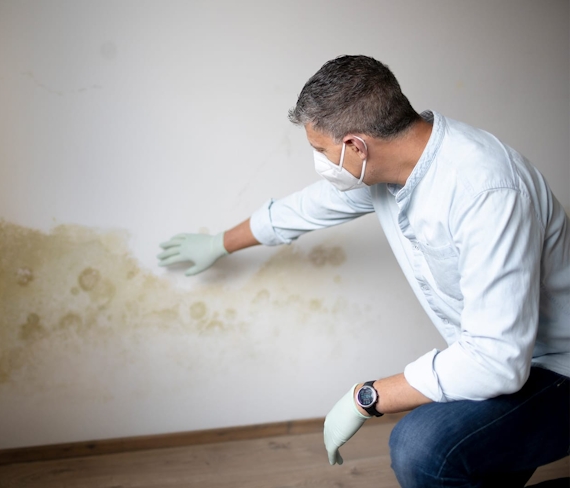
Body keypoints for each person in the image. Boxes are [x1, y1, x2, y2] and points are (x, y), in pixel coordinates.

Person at [157, 55, 569, 487]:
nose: (319, 161)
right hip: (507, 363)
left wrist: (365, 398)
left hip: (557, 369)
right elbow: (304, 209)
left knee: (421, 444)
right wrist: (218, 243)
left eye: (319, 150)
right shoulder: (388, 172)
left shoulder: (484, 190)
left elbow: (495, 362)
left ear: (355, 146)